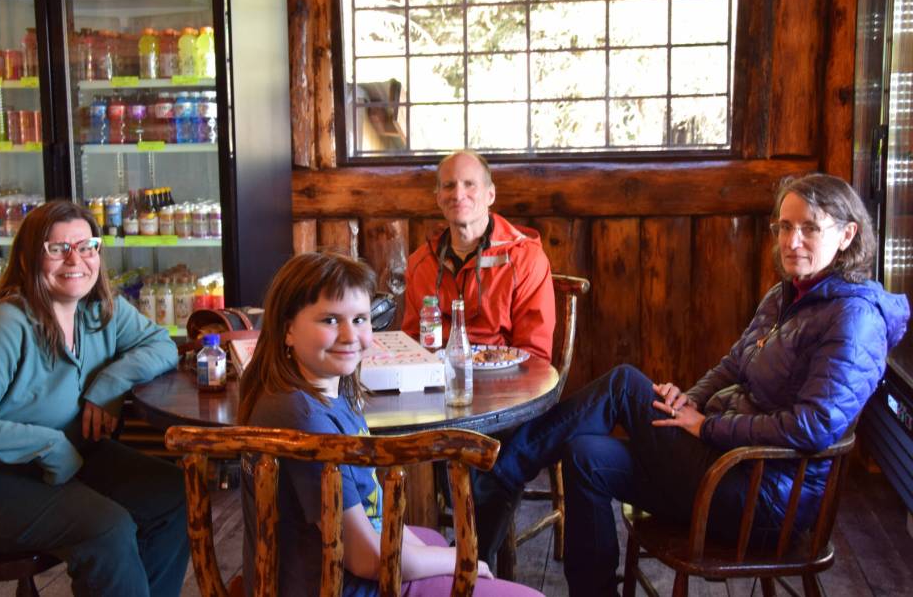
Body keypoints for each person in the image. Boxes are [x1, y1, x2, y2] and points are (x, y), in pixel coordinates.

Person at [472, 173, 910, 595]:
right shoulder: (786, 296)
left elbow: (813, 426)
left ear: (847, 235)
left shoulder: (854, 318)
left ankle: (502, 473)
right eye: (785, 226)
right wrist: (691, 398)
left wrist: (705, 427)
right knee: (584, 454)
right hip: (726, 465)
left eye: (810, 228)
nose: (792, 241)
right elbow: (733, 364)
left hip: (766, 497)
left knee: (624, 384)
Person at [237, 251, 544, 596]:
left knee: (428, 539)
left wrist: (440, 554)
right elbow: (367, 558)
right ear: (287, 329)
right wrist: (460, 557)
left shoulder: (321, 393)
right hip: (341, 584)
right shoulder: (303, 417)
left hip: (335, 572)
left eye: (360, 319)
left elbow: (376, 507)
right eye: (329, 320)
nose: (349, 335)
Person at [0, 200, 189, 597]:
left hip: (66, 463)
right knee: (107, 526)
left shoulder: (98, 310)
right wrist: (47, 444)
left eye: (86, 246)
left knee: (175, 495)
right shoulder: (5, 324)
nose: (75, 259)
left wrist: (109, 386)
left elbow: (161, 345)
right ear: (30, 258)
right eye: (57, 248)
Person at [402, 151, 555, 361]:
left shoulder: (526, 259)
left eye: (469, 184)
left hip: (507, 384)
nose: (457, 194)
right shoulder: (420, 263)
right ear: (438, 198)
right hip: (437, 384)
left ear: (490, 195)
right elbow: (411, 344)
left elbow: (535, 355)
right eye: (449, 186)